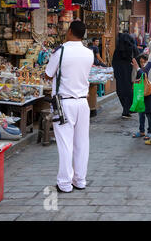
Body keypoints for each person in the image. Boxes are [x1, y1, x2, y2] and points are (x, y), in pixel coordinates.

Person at [45, 20, 94, 193]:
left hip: (64, 103)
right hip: (82, 102)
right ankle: (80, 180)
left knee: (65, 144)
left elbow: (48, 73)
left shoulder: (61, 51)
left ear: (70, 31)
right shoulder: (89, 53)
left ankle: (65, 183)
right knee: (82, 143)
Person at [112, 32, 140, 119]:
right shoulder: (133, 49)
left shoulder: (117, 50)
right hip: (130, 74)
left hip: (120, 75)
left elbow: (114, 62)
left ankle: (126, 109)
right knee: (129, 92)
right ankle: (127, 110)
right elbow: (138, 60)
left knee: (120, 91)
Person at [132, 53, 151, 140]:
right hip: (140, 92)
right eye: (141, 62)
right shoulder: (139, 69)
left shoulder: (148, 69)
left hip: (147, 93)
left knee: (149, 114)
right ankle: (141, 130)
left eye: (144, 62)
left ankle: (150, 131)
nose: (143, 64)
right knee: (141, 113)